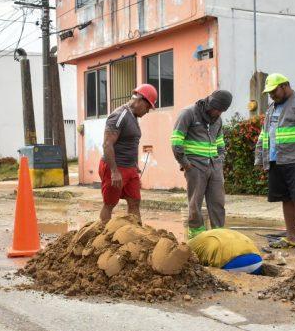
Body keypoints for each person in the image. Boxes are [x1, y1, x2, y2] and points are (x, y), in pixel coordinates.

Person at [254, 73, 295, 254]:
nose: (271, 95)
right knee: (285, 198)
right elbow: (264, 134)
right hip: (276, 160)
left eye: (274, 91)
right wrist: (260, 157)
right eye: (269, 93)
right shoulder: (271, 108)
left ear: (284, 86)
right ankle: (291, 238)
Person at [171, 89, 233, 238]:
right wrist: (185, 164)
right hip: (195, 166)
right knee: (195, 201)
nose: (218, 113)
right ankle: (196, 233)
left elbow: (220, 142)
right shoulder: (188, 113)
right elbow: (176, 141)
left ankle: (219, 233)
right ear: (209, 103)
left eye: (221, 111)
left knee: (218, 202)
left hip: (215, 165)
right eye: (216, 109)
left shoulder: (218, 120)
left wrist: (220, 160)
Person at [99, 83, 158, 221]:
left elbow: (130, 144)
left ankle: (135, 232)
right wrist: (114, 172)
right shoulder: (119, 116)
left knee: (135, 201)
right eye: (148, 107)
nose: (147, 111)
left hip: (130, 168)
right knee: (109, 204)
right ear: (140, 100)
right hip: (115, 167)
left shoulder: (133, 117)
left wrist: (134, 166)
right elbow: (107, 144)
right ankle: (102, 232)